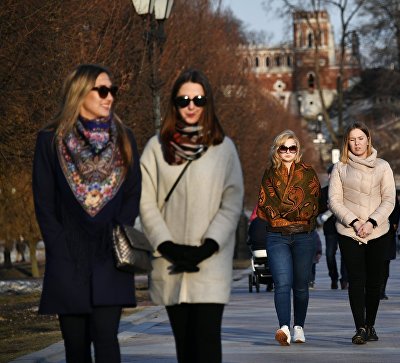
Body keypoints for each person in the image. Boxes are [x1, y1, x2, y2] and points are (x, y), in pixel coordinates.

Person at [32, 64, 142, 362]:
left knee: (107, 340)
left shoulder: (125, 139)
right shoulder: (50, 140)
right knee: (75, 346)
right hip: (68, 259)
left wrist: (119, 235)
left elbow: (133, 193)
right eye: (103, 90)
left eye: (112, 91)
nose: (109, 98)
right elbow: (44, 202)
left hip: (110, 257)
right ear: (80, 93)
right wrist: (58, 247)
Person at [139, 68, 244, 363]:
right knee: (184, 348)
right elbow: (145, 202)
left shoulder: (223, 148)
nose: (190, 106)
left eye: (198, 99)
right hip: (170, 263)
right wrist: (167, 245)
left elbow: (231, 201)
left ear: (207, 102)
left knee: (207, 344)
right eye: (183, 99)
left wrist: (209, 245)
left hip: (209, 263)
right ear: (174, 103)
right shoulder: (156, 148)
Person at [328, 122, 396, 345]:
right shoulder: (340, 167)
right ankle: (359, 327)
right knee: (356, 280)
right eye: (352, 139)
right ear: (346, 142)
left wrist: (372, 222)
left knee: (374, 281)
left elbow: (389, 199)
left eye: (360, 138)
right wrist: (355, 222)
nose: (356, 143)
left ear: (368, 139)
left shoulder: (383, 166)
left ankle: (370, 324)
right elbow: (334, 201)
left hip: (378, 231)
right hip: (349, 231)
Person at [257, 129, 320, 346]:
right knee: (282, 283)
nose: (288, 151)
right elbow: (266, 204)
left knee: (301, 285)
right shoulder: (269, 174)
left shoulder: (308, 172)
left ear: (298, 150)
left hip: (304, 236)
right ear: (277, 149)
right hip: (277, 236)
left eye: (292, 147)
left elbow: (312, 205)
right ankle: (283, 327)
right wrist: (293, 210)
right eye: (283, 147)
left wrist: (287, 212)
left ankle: (299, 327)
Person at [319, 164, 348, 290]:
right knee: (330, 254)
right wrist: (328, 209)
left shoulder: (346, 191)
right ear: (329, 176)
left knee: (345, 254)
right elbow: (318, 210)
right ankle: (334, 277)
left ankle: (344, 280)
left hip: (344, 227)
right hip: (330, 228)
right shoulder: (323, 192)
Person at [379, 190, 400, 300]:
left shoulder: (390, 191)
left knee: (385, 262)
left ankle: (381, 290)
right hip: (370, 231)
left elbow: (397, 209)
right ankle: (372, 289)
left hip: (387, 232)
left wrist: (394, 224)